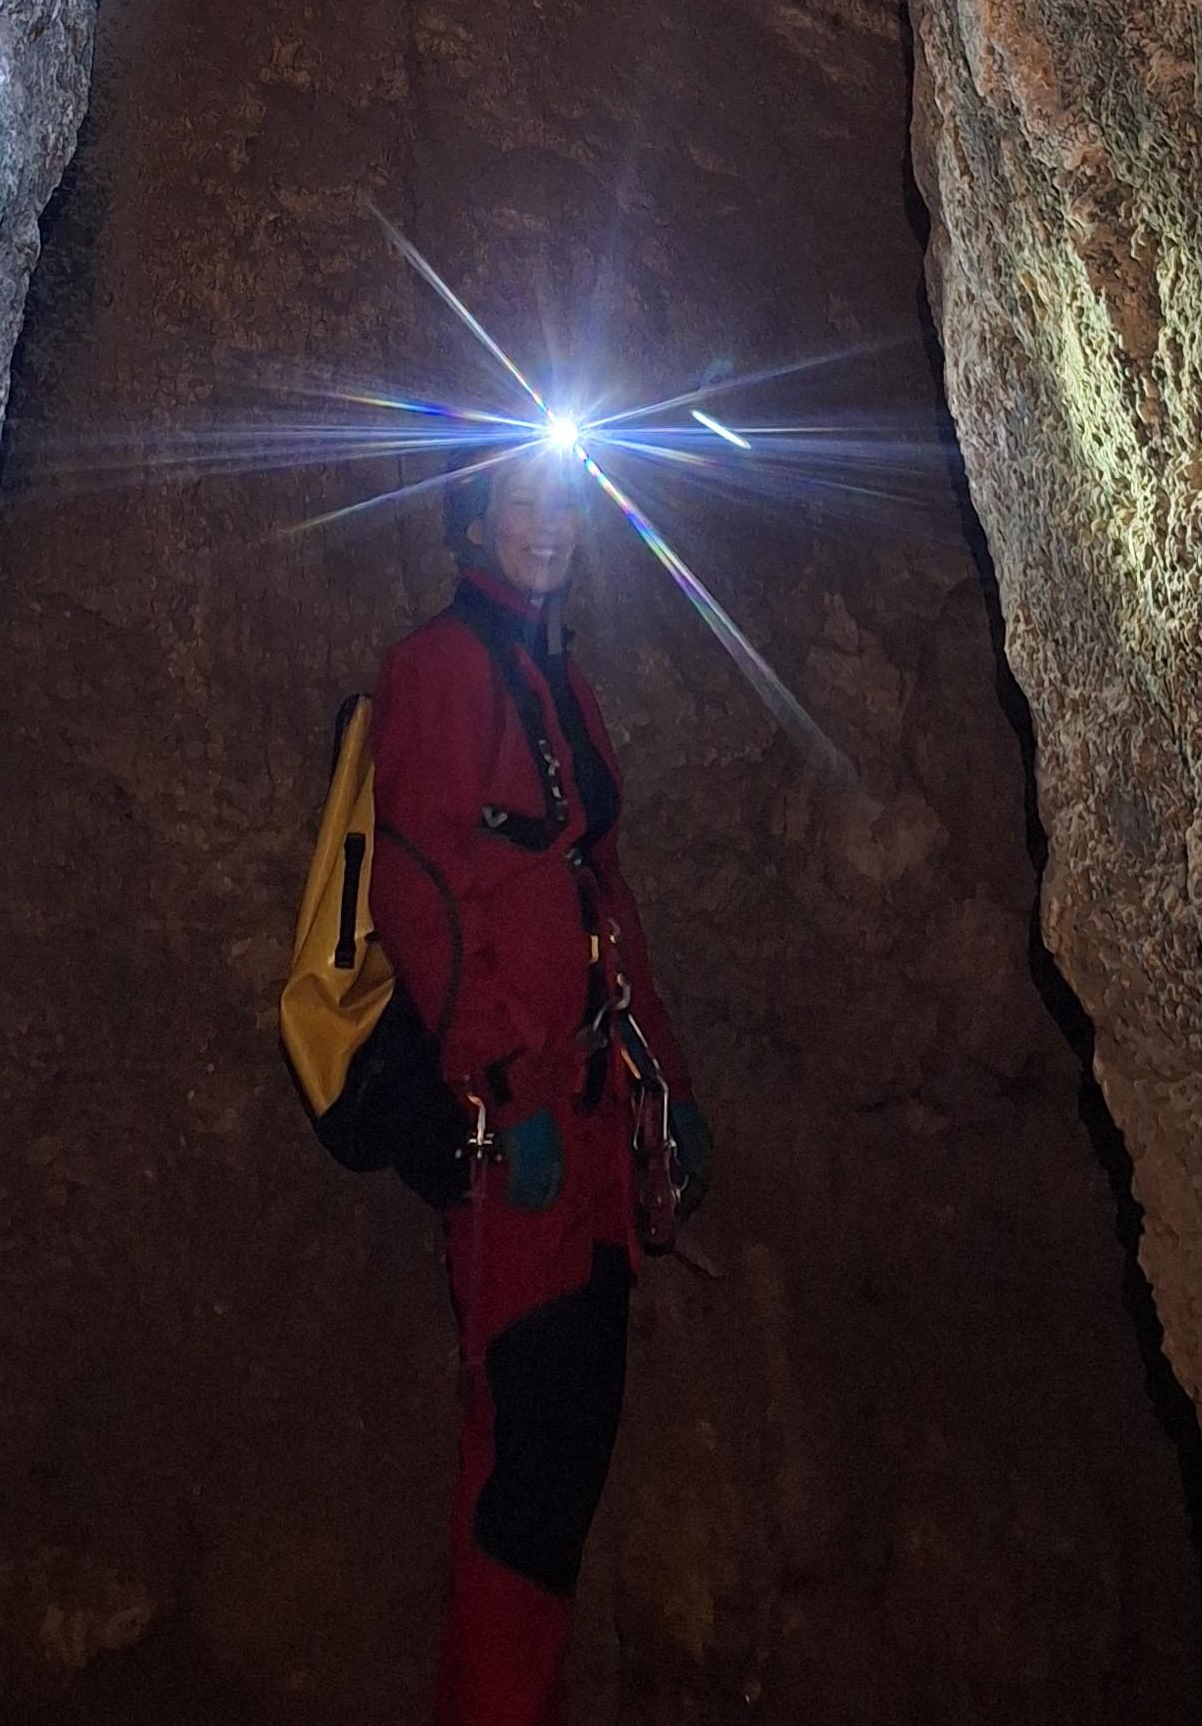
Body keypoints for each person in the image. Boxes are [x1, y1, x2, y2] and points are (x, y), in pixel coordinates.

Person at [369, 443, 713, 1726]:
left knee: (569, 1450)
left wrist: (666, 1085)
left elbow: (601, 899)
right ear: (474, 521)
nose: (549, 524)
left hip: (595, 1135)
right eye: (524, 501)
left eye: (563, 503)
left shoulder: (561, 684)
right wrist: (502, 1088)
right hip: (519, 1147)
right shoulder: (436, 673)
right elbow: (418, 897)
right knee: (520, 1462)